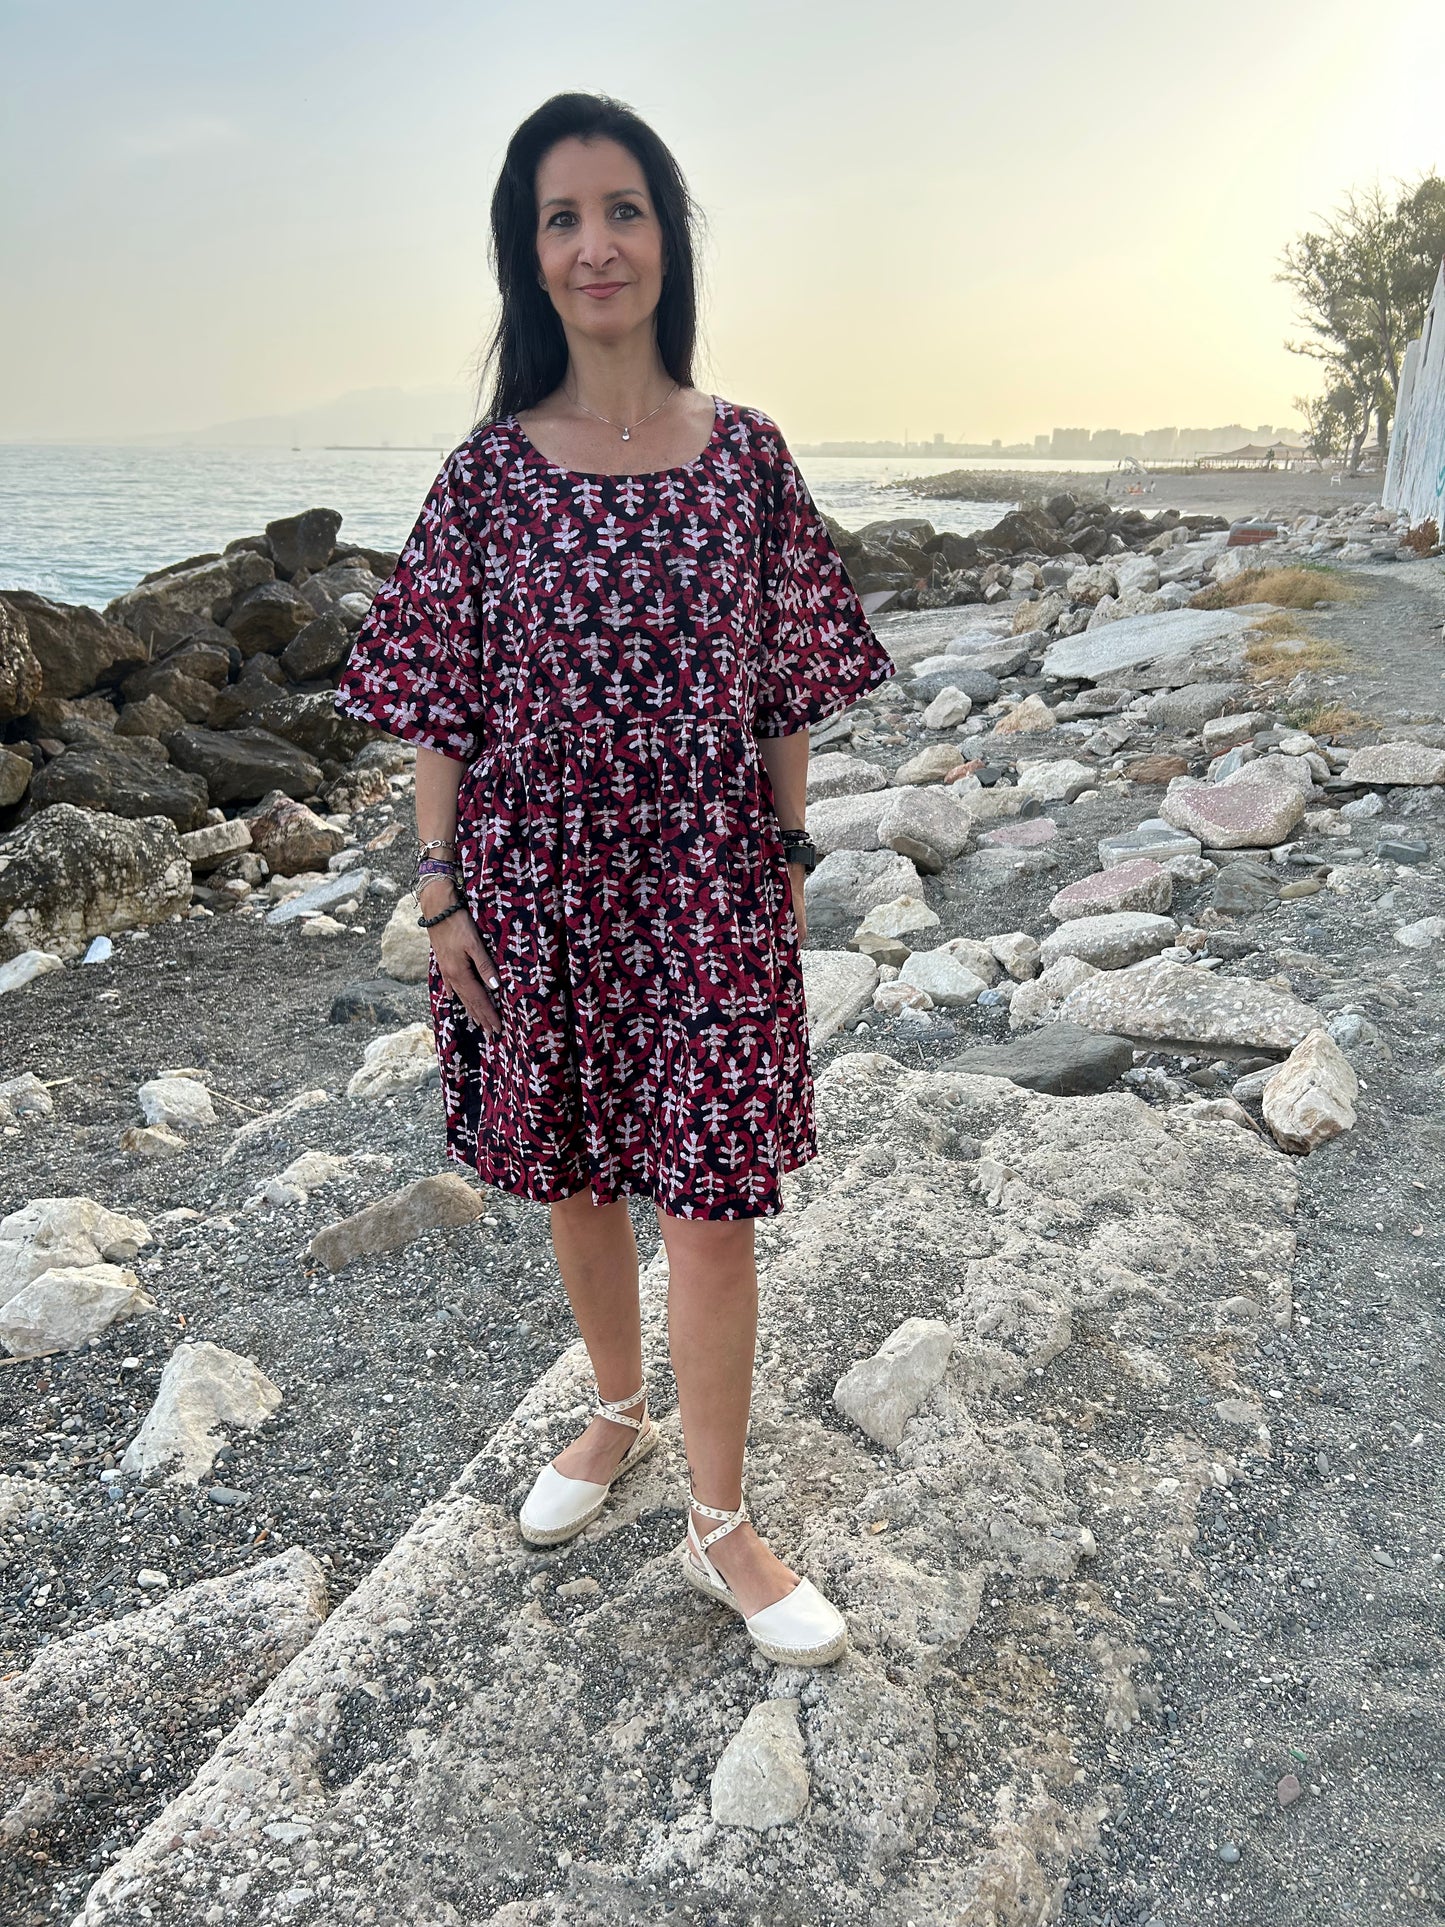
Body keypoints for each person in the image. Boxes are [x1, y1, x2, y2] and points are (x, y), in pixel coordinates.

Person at [335, 91, 895, 1669]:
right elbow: (441, 700)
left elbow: (785, 683)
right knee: (575, 1175)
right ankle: (612, 1412)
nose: (596, 244)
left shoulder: (749, 459)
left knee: (712, 1210)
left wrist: (784, 858)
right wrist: (439, 892)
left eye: (624, 209)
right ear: (530, 256)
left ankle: (722, 1522)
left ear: (669, 237)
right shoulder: (489, 475)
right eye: (562, 218)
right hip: (533, 887)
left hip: (707, 882)